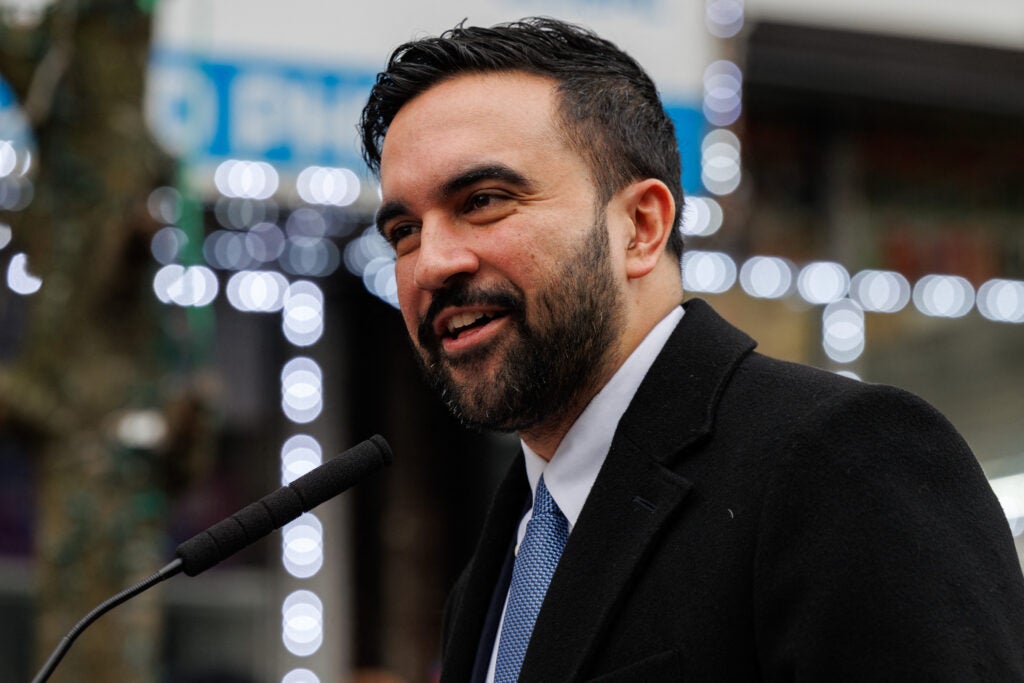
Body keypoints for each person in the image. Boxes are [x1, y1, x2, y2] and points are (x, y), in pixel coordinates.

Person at [358, 17, 1024, 682]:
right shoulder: (496, 566)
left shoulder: (842, 461)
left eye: (483, 200)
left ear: (642, 226)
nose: (431, 264)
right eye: (405, 231)